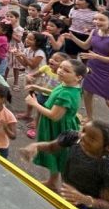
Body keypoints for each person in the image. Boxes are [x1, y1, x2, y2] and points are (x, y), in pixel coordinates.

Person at [24, 58, 85, 189]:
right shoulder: (67, 85)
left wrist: (34, 104)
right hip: (55, 126)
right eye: (61, 68)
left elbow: (54, 116)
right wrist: (37, 87)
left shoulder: (66, 94)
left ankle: (67, 189)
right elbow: (55, 93)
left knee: (62, 157)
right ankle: (52, 181)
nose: (61, 71)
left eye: (66, 70)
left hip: (59, 127)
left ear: (78, 77)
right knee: (55, 155)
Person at [66, 12, 109, 139]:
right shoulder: (94, 31)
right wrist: (72, 37)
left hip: (107, 72)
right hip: (92, 67)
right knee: (87, 93)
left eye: (101, 20)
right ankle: (89, 116)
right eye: (96, 19)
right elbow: (85, 46)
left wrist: (96, 56)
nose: (97, 22)